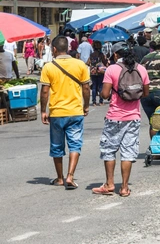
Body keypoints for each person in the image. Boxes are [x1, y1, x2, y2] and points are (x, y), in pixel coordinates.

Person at [92, 42, 150, 197]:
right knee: (128, 152)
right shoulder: (141, 69)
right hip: (133, 117)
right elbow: (145, 93)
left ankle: (110, 184)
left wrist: (108, 91)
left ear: (116, 54)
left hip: (114, 117)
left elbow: (104, 95)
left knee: (109, 150)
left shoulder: (112, 69)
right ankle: (124, 187)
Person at [39, 36, 91, 189]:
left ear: (54, 49)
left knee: (57, 146)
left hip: (56, 113)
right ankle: (70, 176)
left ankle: (60, 178)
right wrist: (86, 106)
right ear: (68, 48)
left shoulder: (48, 67)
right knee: (75, 144)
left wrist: (43, 110)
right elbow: (86, 88)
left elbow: (45, 92)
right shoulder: (80, 65)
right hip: (75, 111)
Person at [87, 41, 109, 106]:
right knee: (100, 86)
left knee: (94, 86)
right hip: (100, 72)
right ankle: (101, 101)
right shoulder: (101, 54)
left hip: (93, 72)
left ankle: (94, 102)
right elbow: (105, 63)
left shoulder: (91, 54)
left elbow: (88, 63)